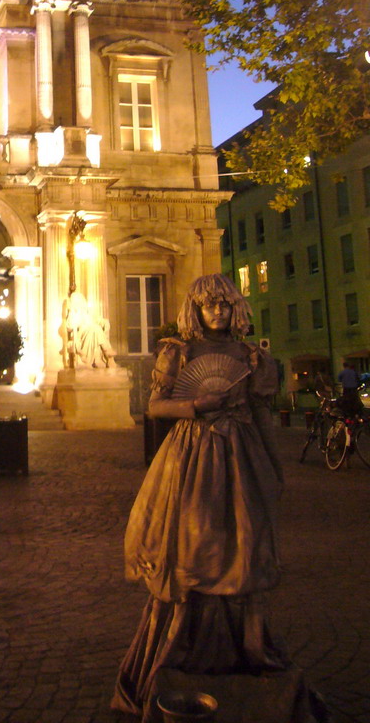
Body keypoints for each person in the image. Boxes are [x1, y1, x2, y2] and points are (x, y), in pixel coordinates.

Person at [111, 274, 317, 721]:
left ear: (235, 308)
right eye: (210, 306)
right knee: (194, 539)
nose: (218, 313)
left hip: (240, 454)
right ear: (196, 310)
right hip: (191, 457)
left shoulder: (250, 357)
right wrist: (195, 408)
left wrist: (273, 466)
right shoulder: (179, 353)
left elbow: (262, 414)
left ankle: (243, 640)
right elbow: (156, 406)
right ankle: (187, 634)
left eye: (225, 305)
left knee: (243, 540)